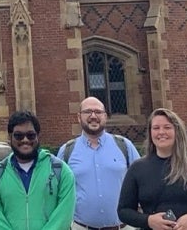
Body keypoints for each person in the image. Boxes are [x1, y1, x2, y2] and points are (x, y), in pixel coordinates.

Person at [116, 109, 187, 230]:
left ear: (177, 131)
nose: (161, 132)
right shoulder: (138, 168)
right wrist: (148, 220)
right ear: (150, 133)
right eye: (156, 128)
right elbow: (124, 211)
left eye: (167, 127)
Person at [57, 96, 142, 230]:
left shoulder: (124, 146)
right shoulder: (67, 151)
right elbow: (58, 192)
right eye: (88, 112)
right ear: (79, 117)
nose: (93, 116)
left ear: (105, 116)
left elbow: (142, 182)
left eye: (98, 112)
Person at [0, 110, 75, 230]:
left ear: (38, 136)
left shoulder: (61, 171)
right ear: (9, 137)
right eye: (18, 135)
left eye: (31, 135)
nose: (25, 140)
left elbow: (63, 216)